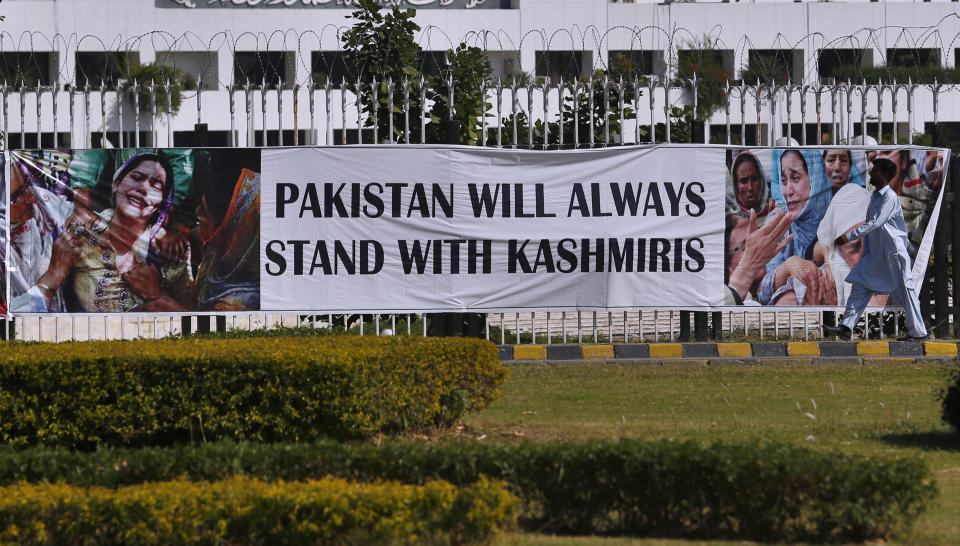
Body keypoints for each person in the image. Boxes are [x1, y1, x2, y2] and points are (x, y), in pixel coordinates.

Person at [33, 152, 192, 312]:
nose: (143, 188)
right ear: (116, 185)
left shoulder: (169, 254)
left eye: (156, 186)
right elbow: (39, 296)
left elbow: (192, 319)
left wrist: (157, 295)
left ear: (161, 204)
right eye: (136, 177)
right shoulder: (75, 237)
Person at [822, 157, 928, 341]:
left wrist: (848, 236)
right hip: (878, 255)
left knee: (906, 292)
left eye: (875, 171)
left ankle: (918, 333)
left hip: (894, 253)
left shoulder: (889, 198)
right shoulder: (876, 197)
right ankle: (846, 327)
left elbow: (875, 223)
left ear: (884, 175)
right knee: (860, 283)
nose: (870, 174)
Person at [756, 149, 832, 305]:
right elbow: (761, 292)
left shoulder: (840, 222)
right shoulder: (780, 222)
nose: (787, 191)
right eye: (783, 180)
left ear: (815, 179)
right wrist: (788, 267)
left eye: (795, 178)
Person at [726, 151, 776, 219]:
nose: (750, 188)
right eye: (744, 181)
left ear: (761, 180)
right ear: (736, 185)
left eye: (754, 179)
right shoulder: (729, 218)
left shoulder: (776, 210)